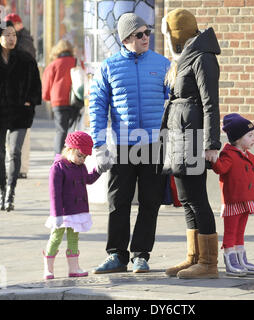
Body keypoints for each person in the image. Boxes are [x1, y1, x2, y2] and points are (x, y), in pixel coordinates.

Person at [89, 13, 170, 274]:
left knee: (150, 201)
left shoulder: (163, 64)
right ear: (126, 39)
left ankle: (141, 255)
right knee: (118, 201)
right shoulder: (109, 67)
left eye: (147, 33)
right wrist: (98, 145)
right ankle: (116, 255)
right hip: (122, 145)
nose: (146, 38)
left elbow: (175, 103)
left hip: (154, 144)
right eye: (139, 34)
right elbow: (97, 107)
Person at [160, 8, 221, 279]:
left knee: (197, 199)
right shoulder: (184, 56)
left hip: (194, 136)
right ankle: (193, 257)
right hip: (179, 136)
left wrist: (212, 143)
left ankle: (209, 263)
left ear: (178, 33)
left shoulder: (203, 58)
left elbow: (210, 104)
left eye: (168, 33)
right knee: (185, 199)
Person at [43, 131, 104, 280]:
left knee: (73, 239)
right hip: (63, 212)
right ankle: (48, 269)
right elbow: (54, 193)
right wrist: (56, 214)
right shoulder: (58, 167)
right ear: (70, 150)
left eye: (84, 157)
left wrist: (98, 170)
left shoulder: (81, 167)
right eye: (80, 155)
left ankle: (74, 268)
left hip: (77, 211)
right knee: (56, 238)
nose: (82, 160)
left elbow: (87, 180)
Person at [211, 113, 254, 277]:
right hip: (233, 201)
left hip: (246, 200)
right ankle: (230, 259)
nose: (253, 138)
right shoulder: (229, 154)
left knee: (240, 231)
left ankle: (241, 258)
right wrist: (213, 159)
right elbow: (221, 169)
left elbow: (253, 179)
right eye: (249, 135)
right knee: (231, 231)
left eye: (253, 134)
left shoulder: (247, 156)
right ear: (238, 139)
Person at [0, 20, 41, 212]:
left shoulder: (26, 59)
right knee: (0, 154)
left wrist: (30, 101)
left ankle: (10, 191)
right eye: (7, 34)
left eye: (13, 35)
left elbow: (36, 85)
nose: (11, 38)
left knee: (15, 152)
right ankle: (1, 190)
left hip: (19, 114)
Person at [5, 13, 37, 180]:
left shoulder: (23, 43)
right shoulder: (26, 40)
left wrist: (29, 99)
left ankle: (19, 169)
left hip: (20, 101)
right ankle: (17, 169)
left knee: (19, 143)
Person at [42, 39, 79, 155]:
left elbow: (46, 92)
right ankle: (73, 158)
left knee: (61, 131)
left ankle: (58, 159)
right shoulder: (76, 62)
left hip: (58, 102)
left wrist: (49, 98)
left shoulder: (52, 65)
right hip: (75, 101)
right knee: (73, 130)